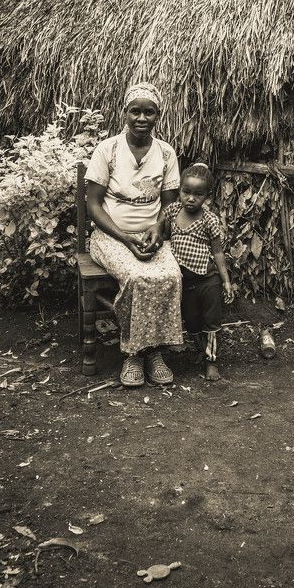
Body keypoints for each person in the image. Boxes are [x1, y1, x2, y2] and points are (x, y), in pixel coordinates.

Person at [85, 82, 183, 388]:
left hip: (151, 235)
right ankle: (133, 354)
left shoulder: (166, 153)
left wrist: (156, 229)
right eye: (135, 111)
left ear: (158, 115)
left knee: (170, 275)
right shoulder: (108, 150)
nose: (142, 118)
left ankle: (155, 353)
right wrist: (126, 238)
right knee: (135, 276)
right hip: (110, 237)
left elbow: (169, 205)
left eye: (149, 112)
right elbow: (93, 204)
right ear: (125, 113)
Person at [156, 163, 233, 382]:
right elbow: (160, 226)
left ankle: (212, 362)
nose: (191, 198)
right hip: (185, 282)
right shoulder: (172, 211)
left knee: (211, 323)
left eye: (198, 194)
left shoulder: (209, 220)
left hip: (207, 280)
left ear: (207, 197)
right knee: (191, 322)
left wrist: (225, 280)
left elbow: (217, 252)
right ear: (179, 190)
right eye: (186, 192)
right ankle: (201, 351)